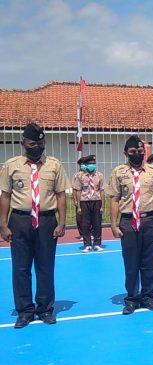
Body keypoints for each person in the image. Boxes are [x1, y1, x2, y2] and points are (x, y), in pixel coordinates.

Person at [0, 123, 69, 328]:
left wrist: (62, 222)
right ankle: (24, 311)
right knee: (20, 268)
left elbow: (60, 196)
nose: (36, 146)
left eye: (40, 143)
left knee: (45, 267)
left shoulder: (54, 165)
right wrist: (3, 224)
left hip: (47, 220)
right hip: (20, 220)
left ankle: (45, 309)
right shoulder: (12, 165)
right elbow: (5, 196)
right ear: (23, 143)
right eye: (32, 143)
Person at [106, 135, 153, 315]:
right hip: (128, 221)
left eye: (140, 151)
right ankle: (132, 299)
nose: (137, 154)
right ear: (126, 153)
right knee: (131, 262)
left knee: (150, 262)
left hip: (150, 219)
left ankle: (148, 297)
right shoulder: (119, 172)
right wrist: (113, 224)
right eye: (133, 152)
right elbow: (115, 199)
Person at [73, 155, 104, 252]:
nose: (92, 165)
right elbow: (78, 191)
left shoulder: (99, 175)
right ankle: (87, 244)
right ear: (86, 165)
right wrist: (78, 206)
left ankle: (97, 244)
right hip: (84, 201)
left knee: (97, 223)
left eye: (93, 164)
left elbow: (102, 191)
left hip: (96, 201)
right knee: (85, 224)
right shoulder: (80, 176)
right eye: (90, 164)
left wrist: (102, 205)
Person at [72, 157, 85, 240]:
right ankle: (82, 234)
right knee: (79, 217)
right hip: (79, 198)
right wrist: (75, 200)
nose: (83, 165)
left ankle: (90, 233)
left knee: (89, 217)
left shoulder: (90, 174)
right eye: (82, 164)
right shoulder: (76, 175)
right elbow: (74, 188)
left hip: (89, 199)